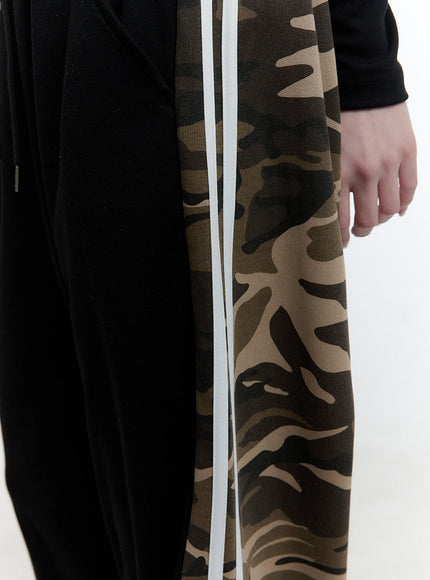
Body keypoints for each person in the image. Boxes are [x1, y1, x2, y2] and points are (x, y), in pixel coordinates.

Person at [0, 1, 417, 579]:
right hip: (27, 30)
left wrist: (364, 63)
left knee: (196, 509)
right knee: (54, 471)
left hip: (196, 33)